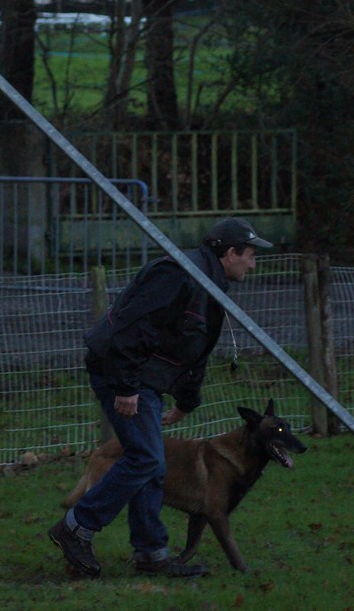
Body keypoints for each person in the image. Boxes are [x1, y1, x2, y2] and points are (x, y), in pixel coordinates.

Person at [48, 216, 272, 577]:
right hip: (120, 372)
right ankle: (76, 527)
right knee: (147, 458)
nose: (253, 263)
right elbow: (131, 325)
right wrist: (125, 386)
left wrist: (186, 402)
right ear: (230, 253)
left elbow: (194, 349)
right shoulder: (177, 273)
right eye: (250, 254)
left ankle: (151, 556)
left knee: (152, 462)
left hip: (143, 378)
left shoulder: (211, 285)